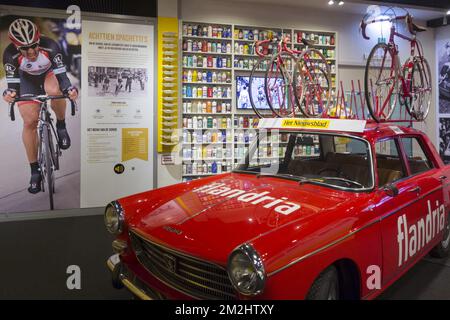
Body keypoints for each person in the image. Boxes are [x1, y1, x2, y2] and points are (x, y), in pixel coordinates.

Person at [2, 19, 78, 194]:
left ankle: (61, 125)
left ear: (38, 39)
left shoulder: (50, 45)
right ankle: (34, 170)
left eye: (34, 45)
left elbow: (63, 77)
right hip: (26, 79)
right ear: (15, 46)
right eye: (24, 48)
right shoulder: (9, 55)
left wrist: (70, 90)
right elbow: (13, 86)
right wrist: (9, 94)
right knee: (30, 121)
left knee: (55, 90)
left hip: (49, 74)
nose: (30, 52)